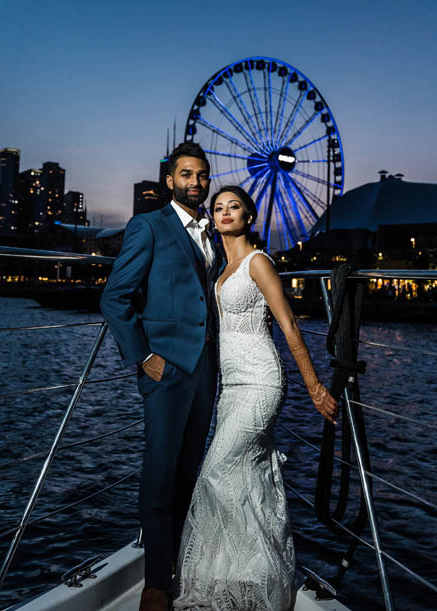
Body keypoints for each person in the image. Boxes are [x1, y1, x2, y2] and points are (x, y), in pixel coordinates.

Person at [174, 185, 338, 610]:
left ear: (249, 216)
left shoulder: (258, 263)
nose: (225, 212)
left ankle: (251, 574)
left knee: (214, 471)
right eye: (218, 207)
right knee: (246, 478)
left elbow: (289, 327)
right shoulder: (218, 270)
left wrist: (315, 387)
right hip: (230, 387)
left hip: (262, 382)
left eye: (234, 206)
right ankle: (244, 578)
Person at [99, 141, 221, 611]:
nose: (196, 182)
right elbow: (116, 297)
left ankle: (180, 560)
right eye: (187, 175)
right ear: (170, 181)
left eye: (203, 175)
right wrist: (144, 357)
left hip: (206, 368)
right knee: (159, 471)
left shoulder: (213, 235)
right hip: (167, 368)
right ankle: (155, 581)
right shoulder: (147, 226)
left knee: (191, 469)